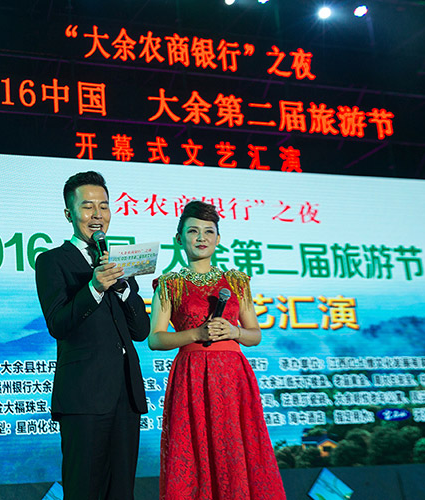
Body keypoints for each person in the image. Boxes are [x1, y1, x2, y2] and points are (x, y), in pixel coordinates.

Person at [148, 200, 286, 500]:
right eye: (193, 231)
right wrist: (195, 334)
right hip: (192, 377)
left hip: (233, 378)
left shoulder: (237, 281)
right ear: (179, 238)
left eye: (209, 231)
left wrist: (235, 332)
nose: (201, 237)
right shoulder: (169, 284)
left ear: (218, 239)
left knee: (237, 449)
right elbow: (155, 340)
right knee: (195, 451)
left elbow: (255, 335)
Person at [35, 171, 150, 500]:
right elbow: (58, 324)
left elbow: (141, 331)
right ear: (69, 214)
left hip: (126, 394)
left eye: (104, 206)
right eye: (87, 207)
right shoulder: (52, 261)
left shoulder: (119, 262)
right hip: (83, 396)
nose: (97, 214)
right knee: (84, 489)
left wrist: (124, 288)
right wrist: (95, 287)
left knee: (122, 491)